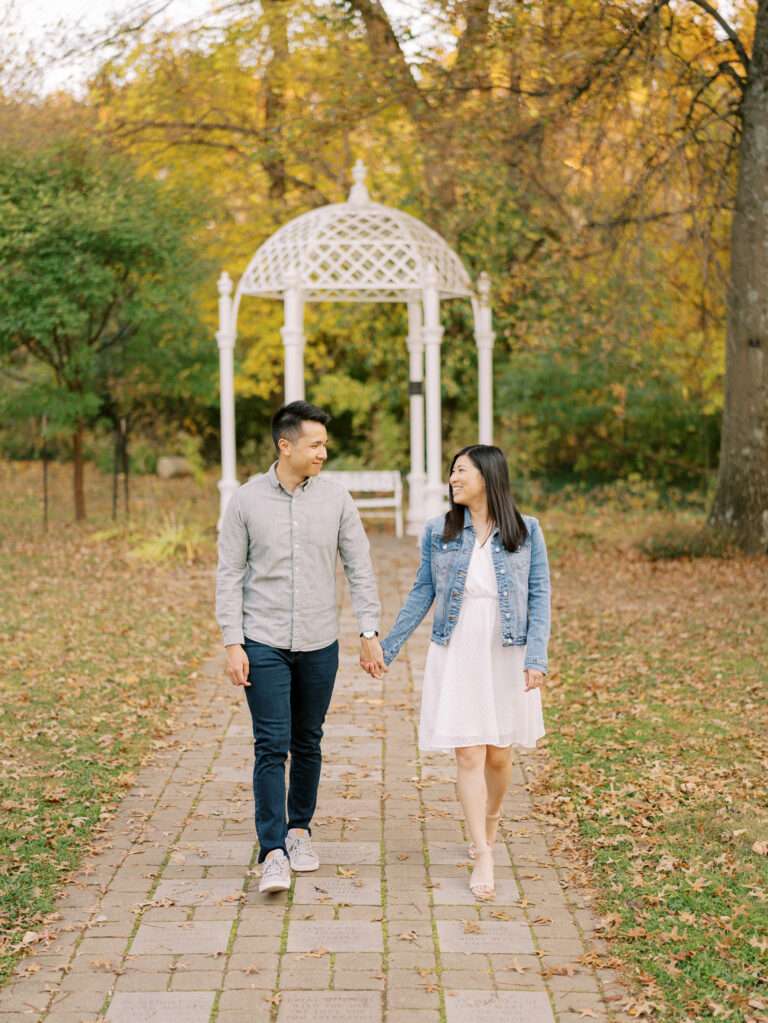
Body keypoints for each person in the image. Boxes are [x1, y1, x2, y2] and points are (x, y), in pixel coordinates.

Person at [216, 401, 385, 894]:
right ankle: (271, 851)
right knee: (270, 743)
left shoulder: (336, 499)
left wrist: (368, 629)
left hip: (318, 641)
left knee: (307, 739)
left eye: (325, 444)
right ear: (284, 445)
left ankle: (298, 831)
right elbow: (229, 575)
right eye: (315, 444)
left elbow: (360, 566)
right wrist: (232, 641)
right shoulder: (246, 501)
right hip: (261, 640)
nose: (323, 452)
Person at [373, 445, 550, 898]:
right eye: (452, 471)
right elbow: (421, 593)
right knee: (469, 753)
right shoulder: (440, 531)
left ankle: (491, 818)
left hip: (506, 649)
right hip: (457, 648)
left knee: (499, 755)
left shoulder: (527, 531)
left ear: (488, 477)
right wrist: (386, 647)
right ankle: (482, 851)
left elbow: (539, 598)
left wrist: (536, 658)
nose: (453, 479)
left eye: (461, 472)